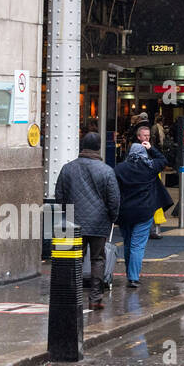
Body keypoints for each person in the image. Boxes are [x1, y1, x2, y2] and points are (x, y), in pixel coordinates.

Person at [54, 132, 121, 310]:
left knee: (74, 259)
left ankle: (72, 295)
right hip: (99, 222)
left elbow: (59, 195)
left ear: (82, 145)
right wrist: (112, 217)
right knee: (98, 259)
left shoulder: (67, 168)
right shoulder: (106, 170)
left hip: (73, 221)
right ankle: (95, 297)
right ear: (98, 147)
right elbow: (113, 199)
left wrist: (67, 213)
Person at [113, 140, 170, 288]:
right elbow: (163, 160)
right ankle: (133, 277)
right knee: (137, 245)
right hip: (144, 212)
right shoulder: (149, 168)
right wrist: (151, 148)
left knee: (127, 243)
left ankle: (129, 273)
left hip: (124, 212)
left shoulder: (120, 169)